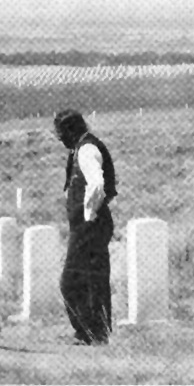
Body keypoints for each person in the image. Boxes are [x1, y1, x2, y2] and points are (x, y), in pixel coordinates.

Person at [54, 109, 117, 345]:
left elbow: (97, 184)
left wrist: (88, 215)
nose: (60, 139)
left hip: (89, 225)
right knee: (93, 280)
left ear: (71, 130)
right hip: (92, 225)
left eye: (61, 133)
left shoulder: (87, 150)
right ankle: (96, 333)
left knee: (71, 281)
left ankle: (89, 332)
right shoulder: (82, 148)